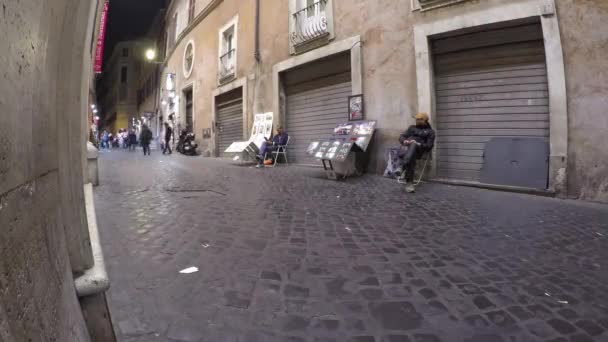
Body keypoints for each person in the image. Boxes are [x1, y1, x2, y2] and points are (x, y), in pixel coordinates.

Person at [395, 112, 435, 193]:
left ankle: (402, 167)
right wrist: (405, 141)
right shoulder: (411, 128)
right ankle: (409, 183)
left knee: (413, 145)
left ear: (424, 120)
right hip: (406, 150)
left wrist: (418, 143)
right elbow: (401, 136)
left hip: (419, 150)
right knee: (411, 155)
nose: (416, 120)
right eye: (416, 119)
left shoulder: (430, 132)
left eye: (418, 119)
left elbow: (429, 146)